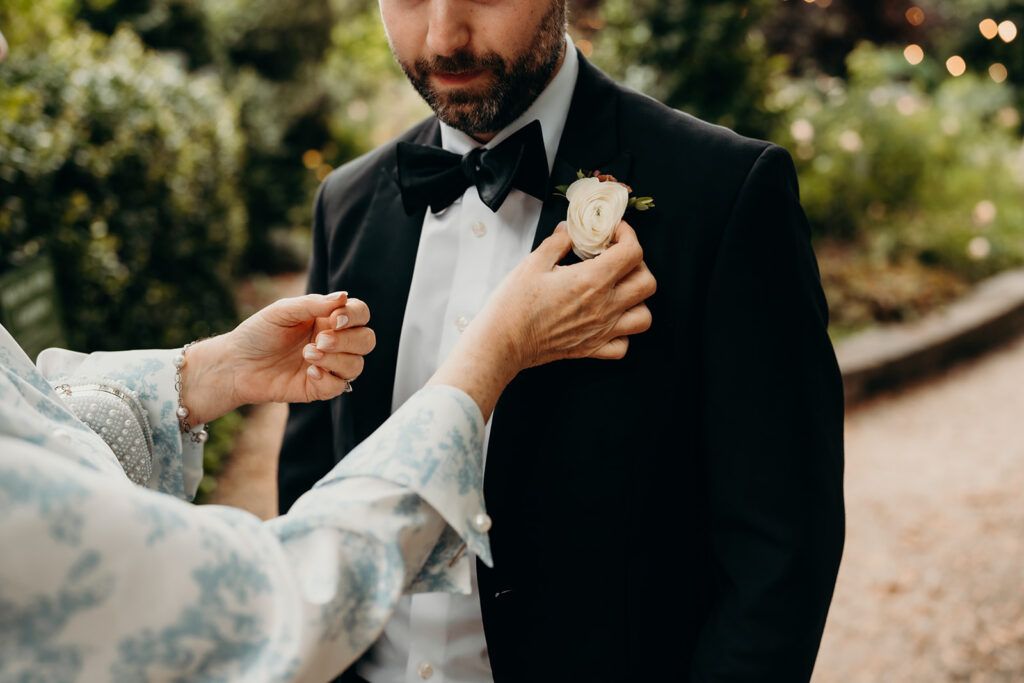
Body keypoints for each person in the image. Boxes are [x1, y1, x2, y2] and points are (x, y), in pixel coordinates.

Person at [278, 1, 845, 681]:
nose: (443, 37)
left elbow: (781, 555)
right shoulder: (345, 203)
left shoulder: (726, 192)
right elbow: (309, 498)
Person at [0, 222, 655, 682]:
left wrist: (214, 372)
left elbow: (40, 427)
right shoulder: (348, 198)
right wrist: (491, 354)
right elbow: (268, 605)